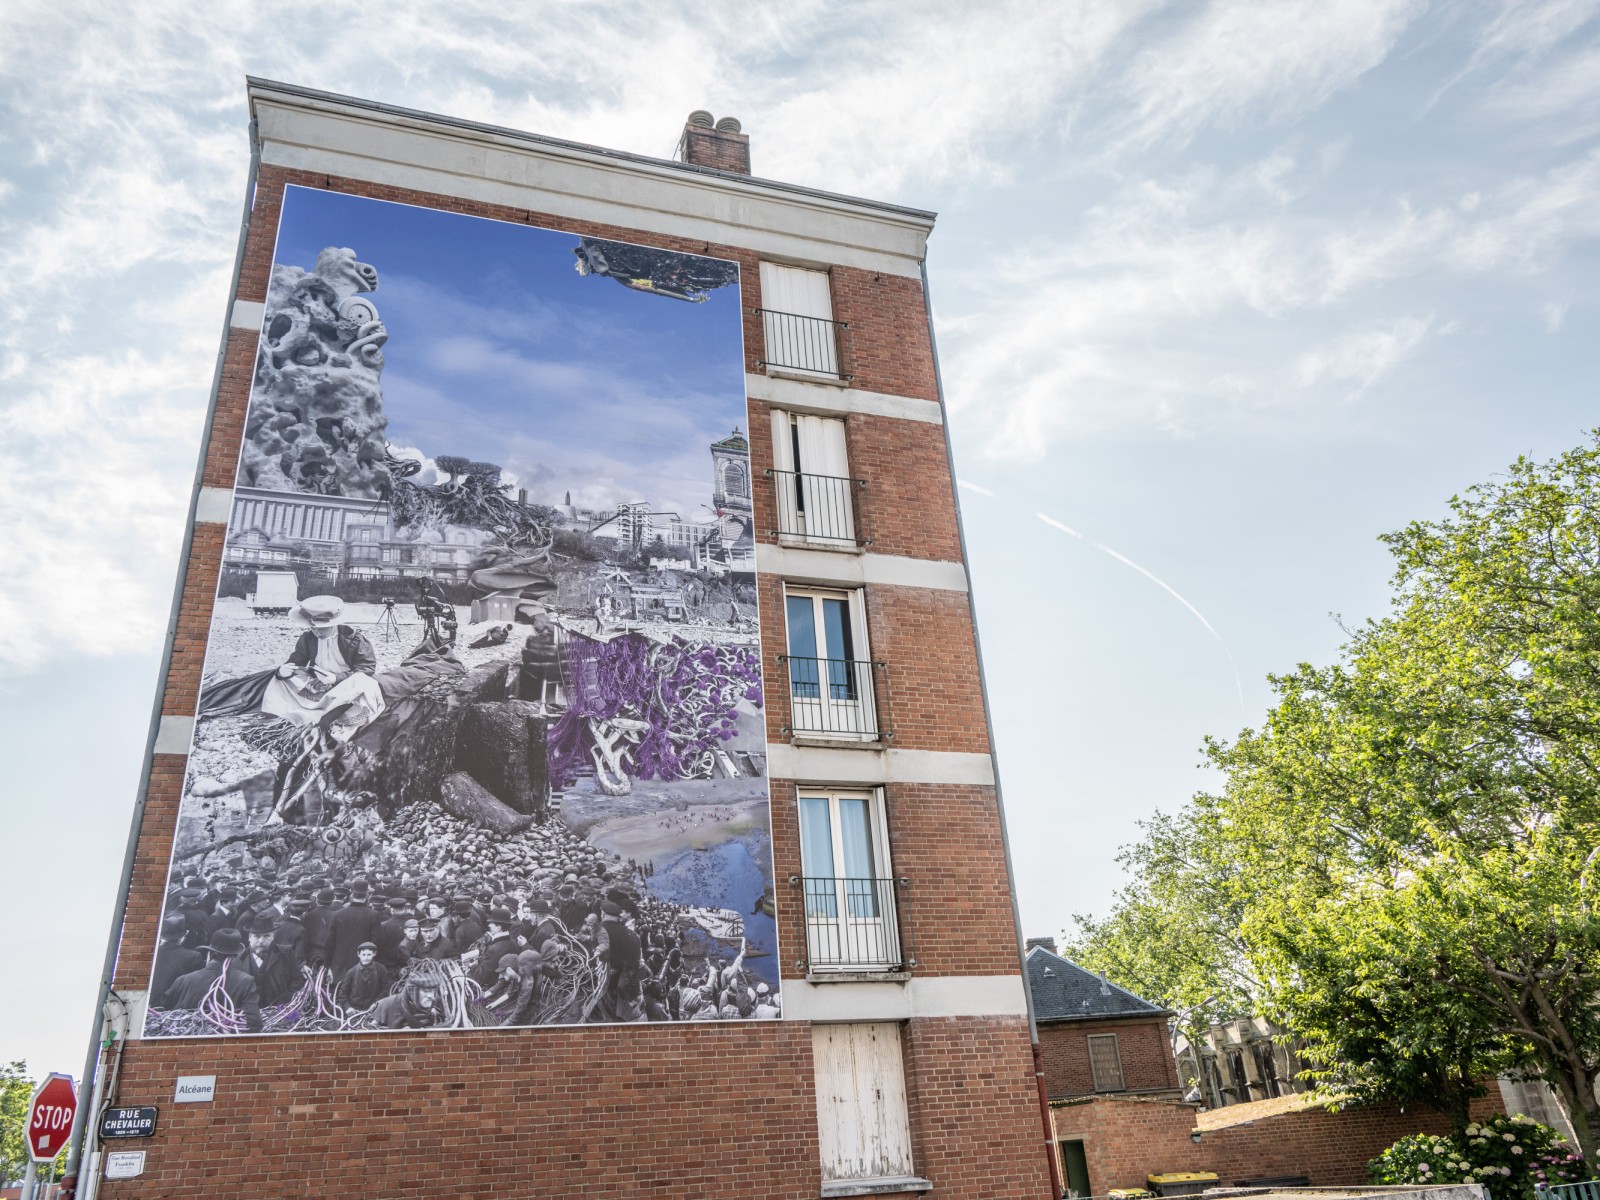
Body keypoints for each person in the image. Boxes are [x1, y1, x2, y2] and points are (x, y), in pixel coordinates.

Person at [261, 596, 386, 730]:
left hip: (348, 684)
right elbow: (297, 660)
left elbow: (367, 667)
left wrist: (336, 678)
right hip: (318, 682)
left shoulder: (355, 638)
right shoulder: (308, 638)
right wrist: (283, 671)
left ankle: (326, 716)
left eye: (322, 628)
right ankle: (293, 712)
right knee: (279, 680)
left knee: (366, 685)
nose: (316, 632)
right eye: (313, 628)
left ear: (334, 624)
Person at [164, 929, 264, 1033]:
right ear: (234, 956)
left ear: (210, 953)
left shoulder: (182, 981)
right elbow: (254, 1024)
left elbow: (165, 1015)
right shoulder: (246, 982)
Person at [150, 915, 204, 1007]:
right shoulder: (193, 956)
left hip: (150, 1006)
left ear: (162, 937)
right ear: (183, 937)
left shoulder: (151, 954)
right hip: (176, 1008)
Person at [336, 942, 391, 1011]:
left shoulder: (381, 969)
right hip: (354, 1010)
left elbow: (386, 989)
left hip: (375, 1009)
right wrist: (348, 1007)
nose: (366, 958)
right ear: (358, 955)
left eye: (369, 955)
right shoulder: (352, 972)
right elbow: (342, 993)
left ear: (374, 954)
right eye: (363, 955)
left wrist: (376, 1003)